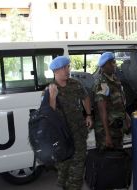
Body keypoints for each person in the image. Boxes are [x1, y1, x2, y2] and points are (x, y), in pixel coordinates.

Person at [47, 56, 93, 190]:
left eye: (68, 67)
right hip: (62, 139)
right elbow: (49, 114)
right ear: (56, 71)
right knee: (64, 173)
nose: (68, 70)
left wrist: (89, 115)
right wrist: (52, 97)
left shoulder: (75, 84)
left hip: (78, 135)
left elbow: (85, 98)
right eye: (64, 68)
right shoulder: (50, 90)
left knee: (77, 173)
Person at [93, 52, 130, 150]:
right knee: (108, 160)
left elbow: (119, 101)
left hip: (117, 127)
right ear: (104, 66)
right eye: (112, 63)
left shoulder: (115, 79)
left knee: (117, 157)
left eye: (114, 62)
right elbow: (102, 110)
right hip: (107, 128)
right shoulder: (102, 83)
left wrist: (125, 115)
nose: (115, 65)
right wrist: (107, 135)